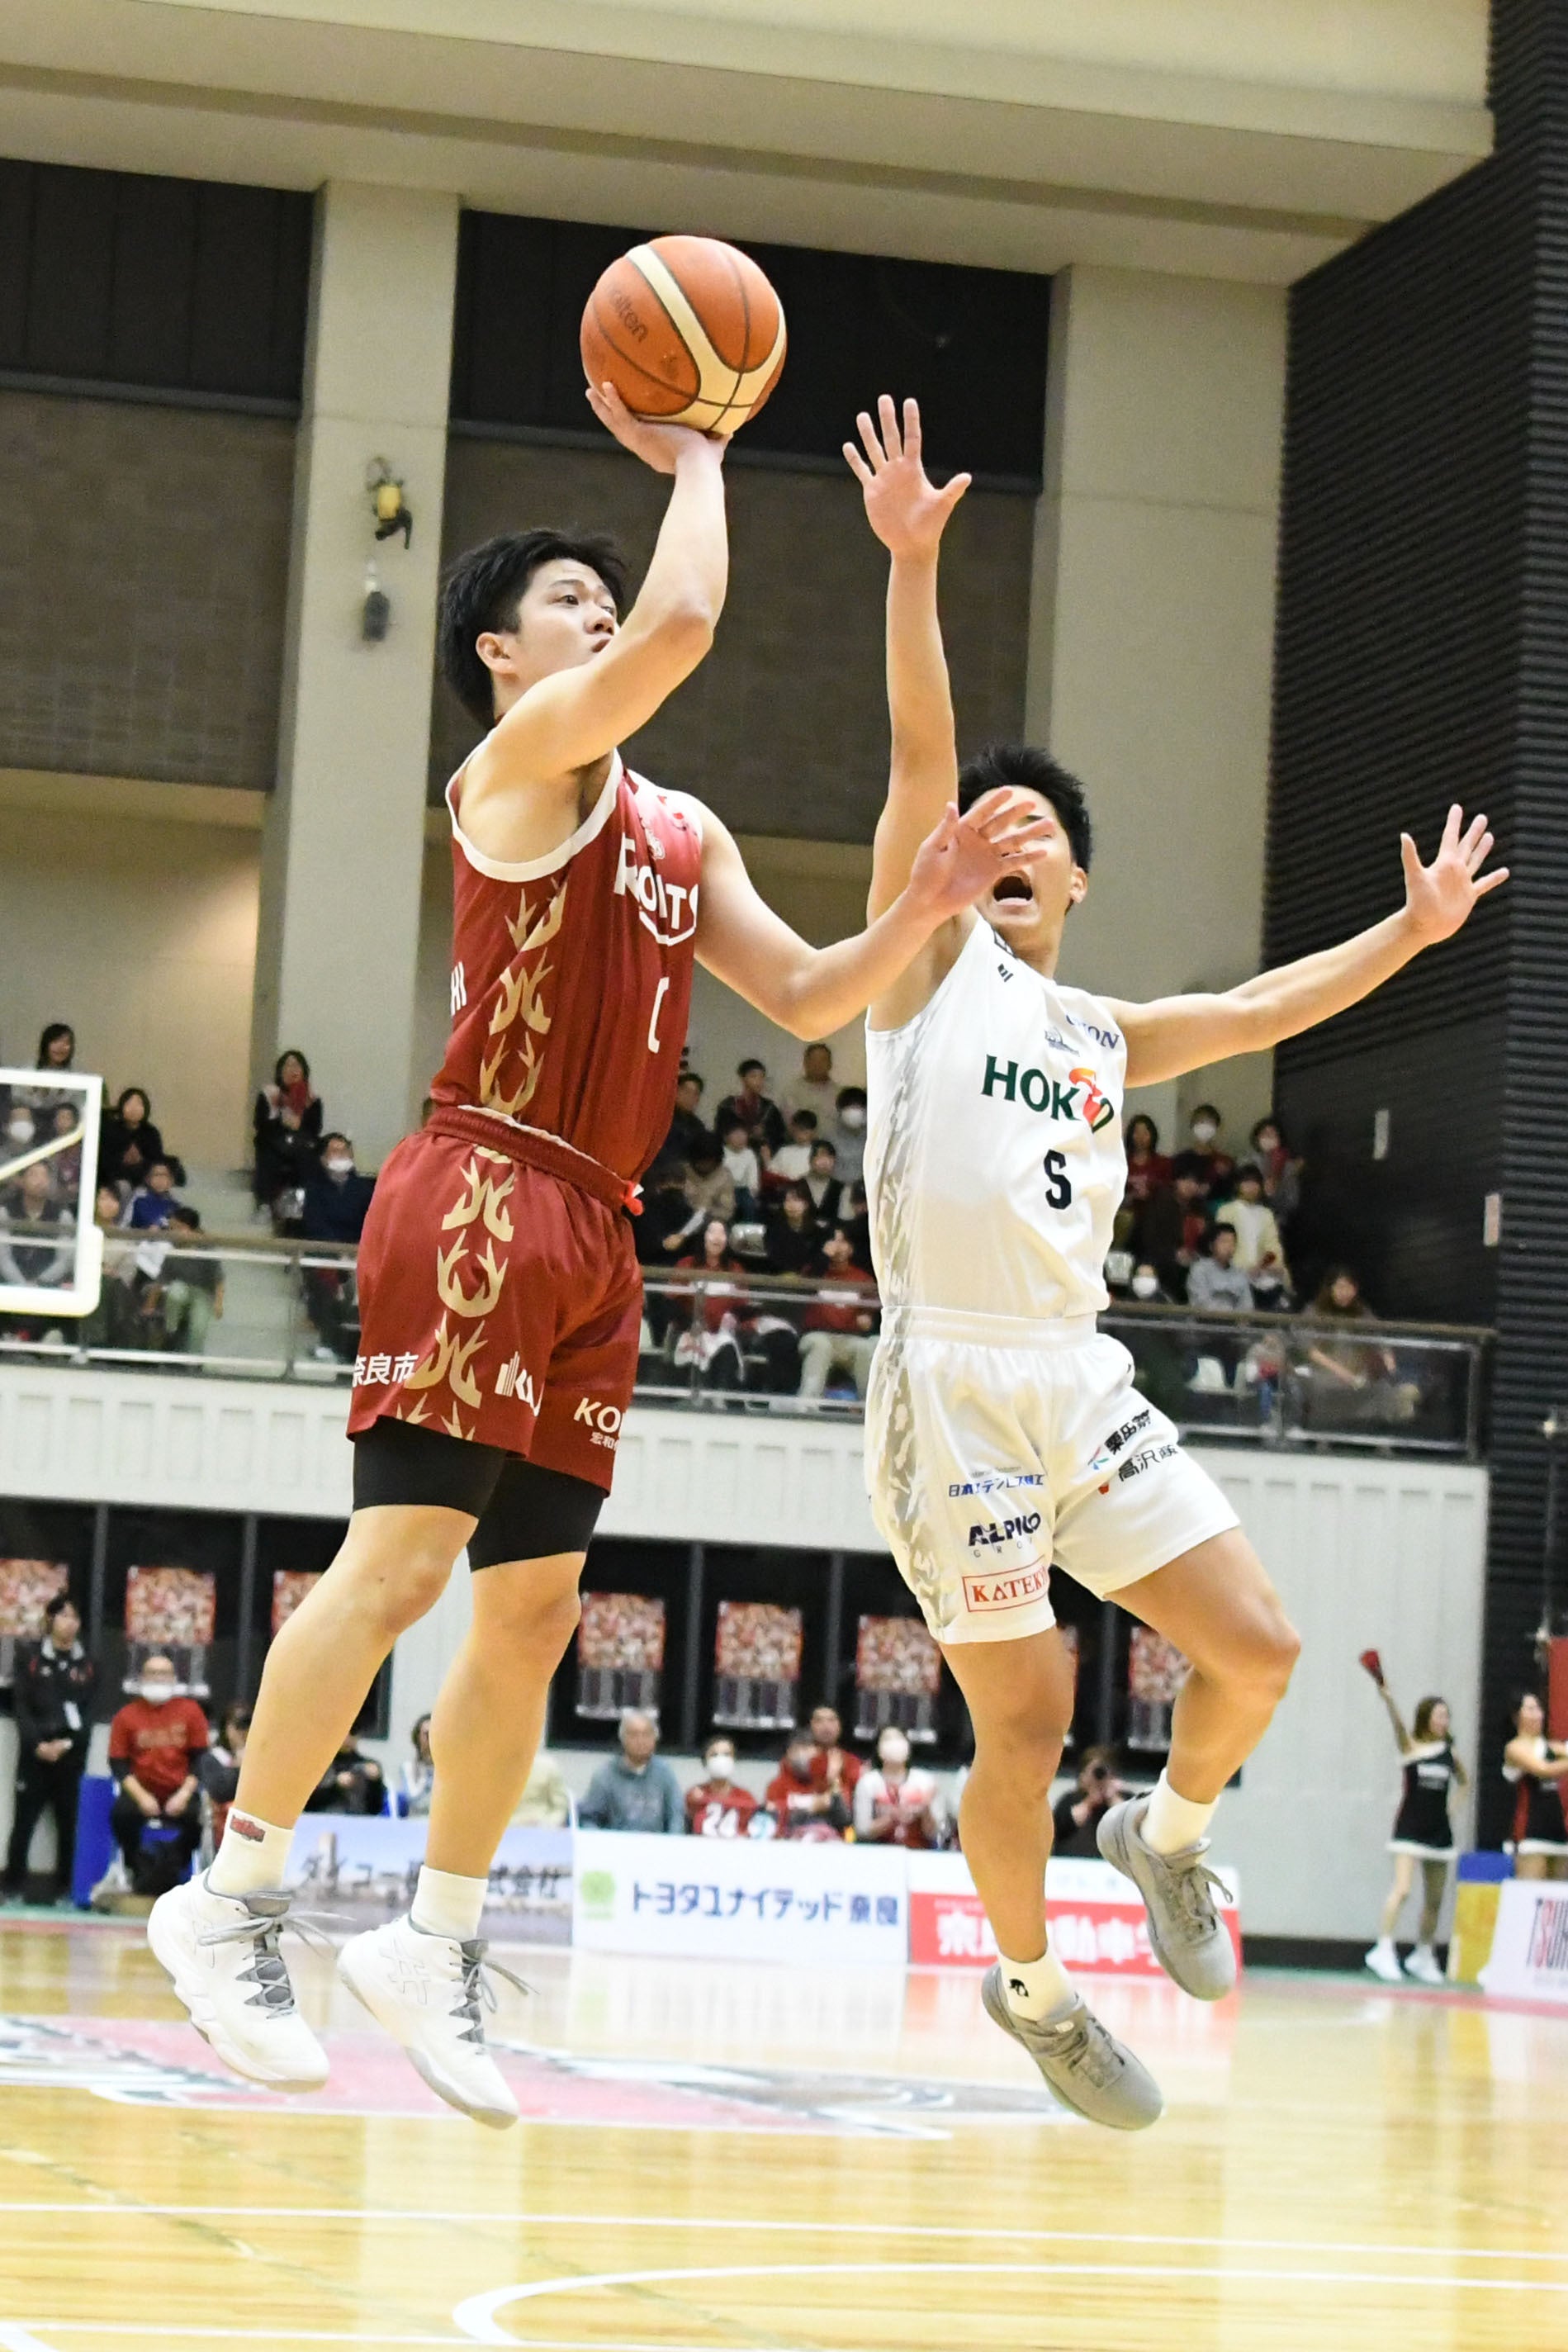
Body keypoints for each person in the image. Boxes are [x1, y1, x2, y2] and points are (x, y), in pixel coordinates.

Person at [149, 373, 1049, 2124]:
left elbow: (806, 994)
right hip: (482, 1188)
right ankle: (231, 1889)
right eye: (571, 597)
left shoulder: (679, 829)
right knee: (401, 1562)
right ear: (501, 654)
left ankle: (434, 1936)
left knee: (536, 1604)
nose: (604, 609)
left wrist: (921, 908)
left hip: (601, 1230)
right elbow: (688, 618)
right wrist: (700, 451)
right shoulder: (509, 772)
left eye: (602, 593)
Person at [846, 389, 1504, 2130]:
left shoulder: (1100, 1031)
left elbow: (1267, 1004)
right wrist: (910, 565)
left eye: (1032, 830)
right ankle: (1032, 1987)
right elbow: (917, 755)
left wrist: (1411, 933)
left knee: (1258, 1647)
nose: (1002, 837)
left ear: (1072, 879)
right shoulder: (920, 977)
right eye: (980, 826)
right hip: (947, 1377)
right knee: (1026, 1714)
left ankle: (1166, 1832)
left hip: (1075, 1374)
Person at [1361, 1668, 1466, 1984]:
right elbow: (1398, 1727)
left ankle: (1423, 1955)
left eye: (1447, 1716)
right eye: (1439, 1715)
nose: (1444, 1721)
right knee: (1403, 1889)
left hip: (1439, 1834)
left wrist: (1452, 1810)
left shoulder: (1450, 1754)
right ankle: (1383, 1950)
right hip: (1409, 1829)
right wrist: (1389, 1700)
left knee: (1434, 1899)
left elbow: (1464, 1782)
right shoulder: (1411, 1748)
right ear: (1426, 1719)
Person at [2, 1594, 97, 1904]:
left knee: (69, 1823)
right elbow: (21, 1707)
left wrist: (66, 1744)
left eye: (75, 1617)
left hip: (71, 1756)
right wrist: (38, 1744)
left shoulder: (89, 1664)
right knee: (23, 1822)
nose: (70, 1623)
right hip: (35, 1755)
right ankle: (12, 1887)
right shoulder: (29, 1658)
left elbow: (89, 1711)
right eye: (64, 1616)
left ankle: (65, 1889)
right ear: (50, 1619)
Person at [108, 1655, 207, 1884]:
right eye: (152, 1673)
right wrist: (142, 1797)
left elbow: (201, 1759)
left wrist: (184, 1795)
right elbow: (118, 1764)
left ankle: (173, 1865)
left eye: (164, 1673)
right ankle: (136, 1868)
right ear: (142, 1678)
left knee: (198, 1821)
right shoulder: (126, 1716)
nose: (158, 1678)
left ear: (173, 1678)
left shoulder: (191, 1711)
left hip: (180, 1790)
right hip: (141, 1790)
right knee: (121, 1816)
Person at [1300, 1268, 1419, 1428]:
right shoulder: (1313, 1312)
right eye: (1340, 1287)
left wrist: (1389, 1363)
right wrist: (1343, 1373)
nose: (1345, 1292)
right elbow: (1309, 1350)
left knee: (1381, 1389)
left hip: (1358, 1375)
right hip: (1326, 1375)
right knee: (1324, 1390)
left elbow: (1379, 1340)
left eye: (1350, 1287)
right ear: (1330, 1289)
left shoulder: (1362, 1313)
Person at [299, 1135, 376, 1363]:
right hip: (325, 1251)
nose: (340, 1155)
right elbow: (314, 1224)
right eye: (334, 1151)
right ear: (323, 1158)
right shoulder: (314, 1188)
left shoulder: (364, 1189)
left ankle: (355, 1348)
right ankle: (329, 1342)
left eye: (344, 1151)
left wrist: (357, 1249)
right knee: (328, 1283)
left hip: (358, 1251)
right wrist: (338, 1251)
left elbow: (372, 1222)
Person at [798, 1227, 879, 1401]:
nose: (838, 1247)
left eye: (842, 1242)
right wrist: (824, 1257)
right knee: (821, 1346)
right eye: (833, 1241)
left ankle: (868, 1406)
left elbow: (870, 1311)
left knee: (865, 1348)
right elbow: (807, 1282)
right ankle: (808, 1404)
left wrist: (866, 1317)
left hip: (849, 1338)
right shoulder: (814, 1271)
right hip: (816, 1335)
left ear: (851, 1248)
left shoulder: (862, 1278)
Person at [671, 1216, 750, 1392]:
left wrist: (732, 1319)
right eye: (712, 1232)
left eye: (722, 1233)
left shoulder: (735, 1269)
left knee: (727, 1350)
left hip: (722, 1333)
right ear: (703, 1237)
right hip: (689, 1329)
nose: (717, 1238)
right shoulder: (686, 1265)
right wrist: (690, 1325)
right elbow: (672, 1301)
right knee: (691, 1348)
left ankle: (720, 1398)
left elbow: (743, 1306)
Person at [579, 1710, 684, 1833]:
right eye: (634, 1735)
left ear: (655, 1739)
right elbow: (588, 1818)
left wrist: (673, 1841)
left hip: (656, 1843)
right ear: (622, 1739)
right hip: (616, 1842)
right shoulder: (605, 1775)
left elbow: (676, 1816)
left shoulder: (665, 1773)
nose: (640, 1740)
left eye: (646, 1734)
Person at [1502, 1691, 1568, 1880]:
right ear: (1517, 1716)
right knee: (1530, 1893)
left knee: (1558, 1896)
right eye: (1530, 1709)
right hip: (1530, 1833)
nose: (1537, 1714)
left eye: (1538, 1708)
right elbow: (1543, 1770)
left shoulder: (1553, 1747)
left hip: (1558, 1831)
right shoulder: (1514, 1748)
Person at [253, 1050, 324, 1211]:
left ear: (304, 1071)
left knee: (307, 1156)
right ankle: (264, 1205)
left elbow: (315, 1129)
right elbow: (259, 1124)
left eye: (297, 1065)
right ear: (280, 1071)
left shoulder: (313, 1099)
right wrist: (281, 1122)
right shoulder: (268, 1094)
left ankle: (299, 1208)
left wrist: (299, 1125)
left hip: (300, 1145)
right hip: (273, 1142)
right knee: (268, 1154)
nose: (293, 1070)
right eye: (288, 1065)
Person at [852, 1725, 943, 1847]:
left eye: (899, 1739)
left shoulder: (925, 1781)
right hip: (878, 1850)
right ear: (878, 1749)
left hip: (919, 1850)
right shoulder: (867, 1782)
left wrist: (925, 1808)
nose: (894, 1744)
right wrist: (893, 1818)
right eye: (887, 1739)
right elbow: (862, 1830)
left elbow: (933, 1833)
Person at [158, 1206, 224, 1359]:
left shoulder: (207, 1249)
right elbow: (162, 1279)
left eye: (175, 1228)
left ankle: (194, 1362)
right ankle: (171, 1331)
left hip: (203, 1293)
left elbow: (218, 1278)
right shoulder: (173, 1251)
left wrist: (219, 1303)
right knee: (175, 1291)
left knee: (199, 1328)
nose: (171, 1232)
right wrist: (150, 1303)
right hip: (182, 1289)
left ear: (186, 1228)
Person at [1215, 1164, 1291, 1294]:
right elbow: (1223, 1245)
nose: (1251, 1187)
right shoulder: (1226, 1211)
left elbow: (1273, 1245)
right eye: (1246, 1182)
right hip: (1235, 1270)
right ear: (1238, 1185)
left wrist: (1267, 1265)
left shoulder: (1266, 1214)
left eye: (1255, 1183)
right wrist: (1245, 1268)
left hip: (1263, 1271)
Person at [766, 1729, 850, 1839]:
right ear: (789, 1753)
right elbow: (774, 1819)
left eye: (811, 1749)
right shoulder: (777, 1786)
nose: (807, 1755)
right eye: (801, 1749)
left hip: (830, 1844)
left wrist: (833, 1781)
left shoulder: (829, 1783)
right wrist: (812, 1806)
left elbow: (845, 1820)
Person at [1051, 1747, 1129, 1860]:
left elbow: (1130, 1826)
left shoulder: (1125, 1800)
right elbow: (1061, 1828)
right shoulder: (1069, 1800)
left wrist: (1112, 1798)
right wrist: (1089, 1802)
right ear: (1082, 1776)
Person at [99, 1088, 181, 1195]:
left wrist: (140, 1162)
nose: (134, 1109)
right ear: (122, 1107)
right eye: (129, 1104)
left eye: (138, 1105)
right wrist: (124, 1161)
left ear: (145, 1108)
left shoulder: (151, 1133)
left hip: (144, 1179)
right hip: (114, 1180)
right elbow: (105, 1162)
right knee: (123, 1186)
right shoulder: (111, 1130)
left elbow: (156, 1162)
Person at [685, 1736, 762, 1837]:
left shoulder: (745, 1797)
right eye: (714, 1755)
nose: (721, 1759)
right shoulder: (694, 1795)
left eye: (727, 1754)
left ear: (734, 1760)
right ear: (705, 1761)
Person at [200, 1703, 251, 1846]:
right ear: (226, 1728)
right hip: (223, 1828)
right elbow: (219, 1792)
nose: (242, 1731)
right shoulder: (213, 1758)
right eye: (237, 1725)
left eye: (246, 1725)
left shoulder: (260, 1758)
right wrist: (238, 1766)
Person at [716, 1060, 788, 1158]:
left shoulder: (769, 1108)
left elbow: (780, 1136)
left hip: (762, 1158)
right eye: (753, 1076)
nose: (759, 1081)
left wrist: (765, 1134)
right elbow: (720, 1135)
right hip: (734, 1157)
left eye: (762, 1077)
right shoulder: (728, 1107)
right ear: (743, 1079)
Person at [303, 1734, 385, 1815]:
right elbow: (308, 1804)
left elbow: (376, 1809)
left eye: (352, 1733)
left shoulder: (368, 1765)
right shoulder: (319, 1764)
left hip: (358, 1818)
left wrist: (375, 1783)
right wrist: (335, 1786)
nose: (347, 1738)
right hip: (324, 1817)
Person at [1171, 1105, 1234, 1203]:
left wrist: (1224, 1176)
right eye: (1200, 1122)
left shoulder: (1225, 1162)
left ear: (1217, 1128)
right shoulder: (1180, 1159)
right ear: (1192, 1126)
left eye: (1209, 1122)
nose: (1204, 1126)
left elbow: (1230, 1194)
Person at [1186, 1225, 1253, 1314]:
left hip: (1234, 1321)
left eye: (1233, 1242)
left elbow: (1247, 1305)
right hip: (1204, 1320)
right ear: (1211, 1246)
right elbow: (1201, 1303)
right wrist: (1229, 1314)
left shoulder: (1240, 1273)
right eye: (1224, 1242)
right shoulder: (1200, 1269)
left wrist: (1237, 1317)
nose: (1228, 1247)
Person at [808, 1704, 862, 1806]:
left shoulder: (851, 1761)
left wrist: (834, 1779)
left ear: (840, 1726)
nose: (826, 1726)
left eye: (831, 1720)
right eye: (819, 1721)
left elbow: (849, 1800)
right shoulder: (799, 1759)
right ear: (811, 1725)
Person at [764, 1181, 821, 1277]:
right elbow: (774, 1260)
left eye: (796, 1200)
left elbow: (817, 1262)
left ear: (806, 1204)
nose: (791, 1205)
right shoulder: (774, 1230)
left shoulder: (817, 1232)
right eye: (787, 1200)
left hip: (809, 1280)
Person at [659, 1071, 708, 1169]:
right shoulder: (662, 1119)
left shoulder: (698, 1126)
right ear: (676, 1091)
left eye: (695, 1094)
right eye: (686, 1091)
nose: (690, 1097)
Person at [783, 1041, 838, 1128]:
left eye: (823, 1060)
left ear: (830, 1064)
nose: (818, 1065)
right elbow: (791, 1126)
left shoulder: (840, 1094)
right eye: (814, 1060)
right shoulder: (792, 1092)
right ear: (805, 1063)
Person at [718, 1117, 762, 1220]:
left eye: (743, 1133)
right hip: (725, 1189)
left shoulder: (749, 1153)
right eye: (736, 1134)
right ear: (726, 1137)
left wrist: (753, 1194)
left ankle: (749, 1227)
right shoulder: (720, 1153)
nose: (741, 1137)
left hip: (744, 1190)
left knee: (749, 1203)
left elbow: (753, 1178)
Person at [124, 1161, 182, 1231]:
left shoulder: (175, 1205)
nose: (160, 1179)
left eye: (164, 1175)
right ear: (147, 1179)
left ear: (171, 1181)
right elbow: (124, 1226)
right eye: (156, 1175)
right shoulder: (138, 1199)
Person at [768, 1107, 818, 1187]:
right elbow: (771, 1175)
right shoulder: (784, 1152)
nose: (801, 1135)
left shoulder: (818, 1152)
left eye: (805, 1131)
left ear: (813, 1131)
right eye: (798, 1130)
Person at [831, 1085, 869, 1186]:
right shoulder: (829, 1138)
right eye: (849, 1108)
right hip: (838, 1188)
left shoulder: (874, 1138)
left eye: (857, 1107)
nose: (853, 1112)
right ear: (840, 1111)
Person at [803, 1138, 842, 1227]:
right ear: (810, 1160)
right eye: (820, 1157)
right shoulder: (798, 1185)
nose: (825, 1162)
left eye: (829, 1158)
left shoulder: (840, 1188)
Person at [401, 1714, 435, 1816]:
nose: (431, 1739)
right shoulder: (408, 1767)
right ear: (418, 1738)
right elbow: (413, 1799)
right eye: (427, 1735)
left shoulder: (448, 1770)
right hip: (416, 1820)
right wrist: (428, 1777)